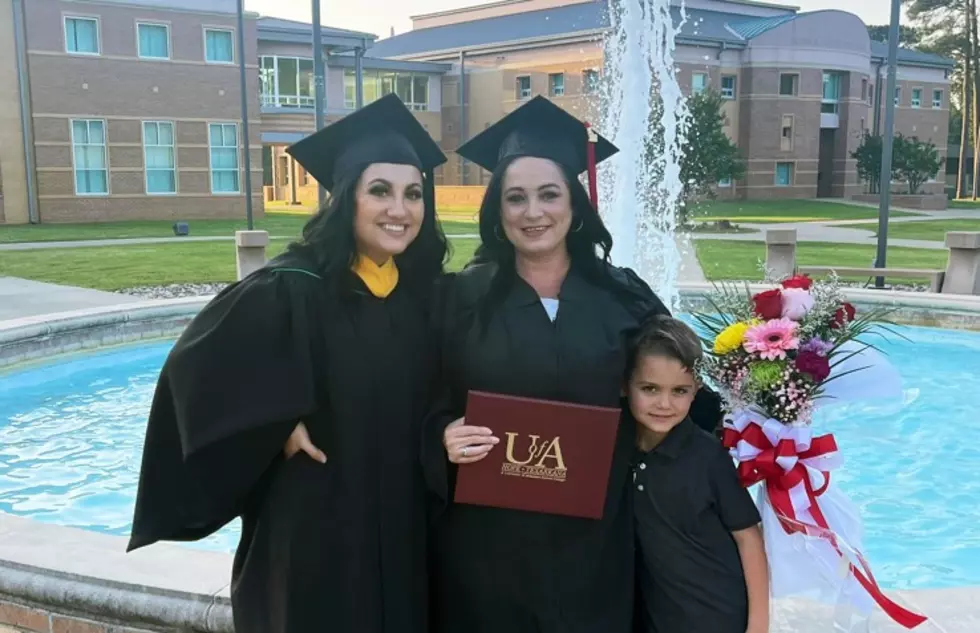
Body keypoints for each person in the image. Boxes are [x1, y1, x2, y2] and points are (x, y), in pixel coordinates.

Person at [126, 93, 448, 633]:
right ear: (346, 198)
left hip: (402, 528)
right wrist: (271, 419)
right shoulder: (292, 288)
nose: (400, 209)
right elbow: (192, 366)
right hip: (312, 534)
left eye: (413, 194)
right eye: (380, 191)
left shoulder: (423, 298)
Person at [423, 96, 724, 633]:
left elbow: (675, 388)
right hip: (487, 544)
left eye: (548, 194)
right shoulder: (458, 300)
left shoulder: (624, 296)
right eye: (515, 198)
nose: (532, 212)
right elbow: (416, 395)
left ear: (574, 203)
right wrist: (442, 433)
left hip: (597, 542)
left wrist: (765, 409)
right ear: (497, 209)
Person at [625, 315, 769, 633]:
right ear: (624, 386)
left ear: (696, 391)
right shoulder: (618, 449)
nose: (664, 403)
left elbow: (748, 538)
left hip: (717, 616)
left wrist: (758, 625)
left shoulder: (709, 458)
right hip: (657, 618)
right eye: (650, 388)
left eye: (679, 391)